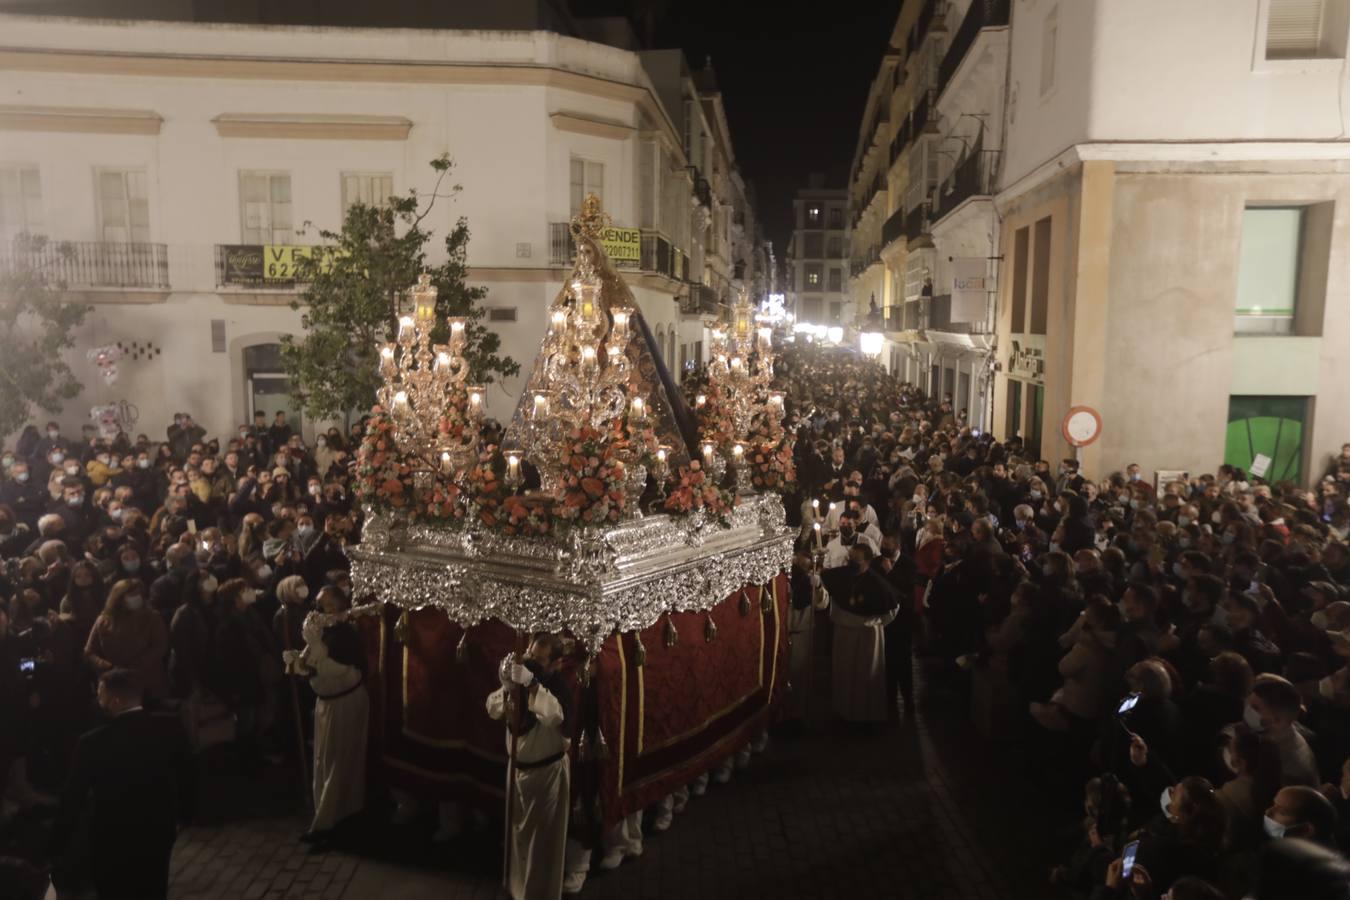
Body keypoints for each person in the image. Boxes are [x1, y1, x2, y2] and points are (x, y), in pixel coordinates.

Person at [49, 668, 195, 900]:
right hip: (158, 828)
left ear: (115, 700)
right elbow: (186, 774)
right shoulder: (169, 728)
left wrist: (56, 844)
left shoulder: (92, 743)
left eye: (100, 694)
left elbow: (73, 798)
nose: (98, 700)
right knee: (154, 888)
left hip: (111, 837)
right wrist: (184, 815)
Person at [485, 632, 585, 899]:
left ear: (556, 664)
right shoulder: (522, 677)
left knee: (541, 846)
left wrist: (532, 686)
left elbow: (555, 716)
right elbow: (493, 710)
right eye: (530, 655)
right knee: (518, 839)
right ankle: (518, 891)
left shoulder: (559, 687)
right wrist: (506, 685)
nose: (532, 663)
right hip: (517, 770)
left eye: (540, 660)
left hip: (546, 774)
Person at [285, 586, 368, 852]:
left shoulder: (345, 634)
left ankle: (330, 822)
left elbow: (338, 669)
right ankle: (324, 816)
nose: (317, 611)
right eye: (317, 605)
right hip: (326, 705)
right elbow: (311, 662)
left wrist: (316, 651)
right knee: (322, 762)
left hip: (344, 704)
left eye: (323, 606)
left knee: (338, 762)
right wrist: (299, 660)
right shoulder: (324, 630)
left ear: (336, 607)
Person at [821, 542, 899, 725]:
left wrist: (872, 622)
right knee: (845, 673)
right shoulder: (840, 575)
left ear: (867, 561)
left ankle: (866, 717)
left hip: (868, 637)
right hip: (844, 634)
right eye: (850, 558)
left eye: (856, 560)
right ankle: (844, 713)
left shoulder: (878, 583)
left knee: (865, 674)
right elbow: (825, 584)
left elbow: (892, 608)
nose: (851, 563)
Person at [84, 578, 169, 702]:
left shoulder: (152, 618)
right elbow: (89, 652)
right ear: (118, 598)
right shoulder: (103, 621)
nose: (136, 597)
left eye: (138, 594)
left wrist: (134, 666)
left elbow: (160, 646)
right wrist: (107, 666)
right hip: (114, 683)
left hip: (146, 682)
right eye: (132, 594)